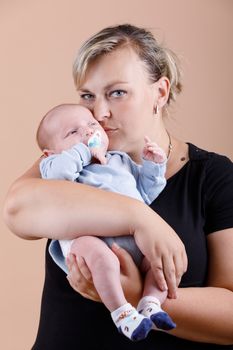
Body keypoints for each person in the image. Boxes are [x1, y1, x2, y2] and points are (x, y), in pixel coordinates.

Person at [3, 23, 233, 349]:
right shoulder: (74, 157)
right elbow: (16, 210)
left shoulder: (213, 175)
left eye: (117, 93)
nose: (99, 113)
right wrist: (141, 218)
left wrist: (136, 293)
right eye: (87, 96)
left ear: (161, 92)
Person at [37, 102, 176, 341]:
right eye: (73, 132)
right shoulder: (56, 165)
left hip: (132, 240)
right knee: (101, 259)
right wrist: (84, 151)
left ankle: (150, 303)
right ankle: (122, 312)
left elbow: (146, 192)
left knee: (159, 261)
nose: (88, 132)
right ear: (50, 152)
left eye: (92, 125)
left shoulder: (119, 160)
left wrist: (154, 166)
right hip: (88, 241)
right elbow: (59, 176)